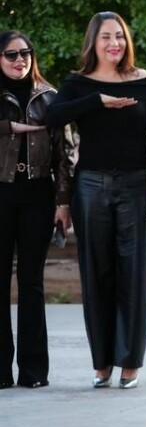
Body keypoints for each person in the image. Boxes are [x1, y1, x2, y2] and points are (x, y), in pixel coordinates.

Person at [45, 12, 146, 390]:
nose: (114, 43)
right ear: (93, 42)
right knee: (96, 275)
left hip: (137, 188)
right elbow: (52, 116)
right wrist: (97, 101)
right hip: (90, 188)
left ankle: (129, 362)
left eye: (119, 36)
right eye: (106, 37)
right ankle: (101, 362)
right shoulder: (77, 84)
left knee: (134, 276)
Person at [0, 31, 73, 389]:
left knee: (32, 283)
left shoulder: (49, 98)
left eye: (25, 53)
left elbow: (64, 155)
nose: (20, 60)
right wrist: (7, 127)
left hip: (37, 195)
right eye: (11, 54)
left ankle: (33, 371)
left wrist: (63, 202)